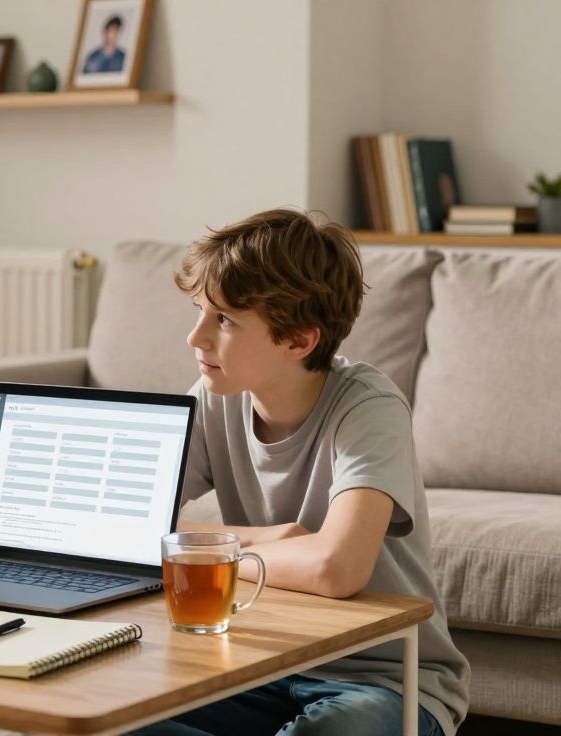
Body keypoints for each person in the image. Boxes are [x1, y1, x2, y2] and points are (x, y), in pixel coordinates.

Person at [131, 209, 468, 736]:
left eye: (223, 320)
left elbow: (337, 567)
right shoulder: (216, 397)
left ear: (298, 341)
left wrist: (209, 548)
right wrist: (272, 540)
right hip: (253, 669)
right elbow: (127, 525)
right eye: (200, 311)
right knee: (108, 717)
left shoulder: (369, 406)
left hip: (383, 682)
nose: (195, 338)